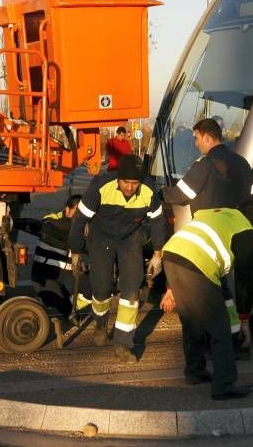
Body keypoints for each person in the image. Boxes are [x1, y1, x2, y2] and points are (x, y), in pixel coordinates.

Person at [162, 117, 253, 352]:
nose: (196, 143)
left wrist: (156, 194)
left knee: (212, 288)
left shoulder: (204, 165)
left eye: (196, 139)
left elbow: (178, 195)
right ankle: (238, 330)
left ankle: (215, 342)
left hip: (211, 240)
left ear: (207, 137)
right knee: (236, 285)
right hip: (240, 234)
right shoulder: (242, 163)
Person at [160, 200, 253, 400]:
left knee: (192, 320)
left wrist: (170, 287)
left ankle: (194, 372)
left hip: (171, 254)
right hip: (197, 264)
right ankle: (224, 384)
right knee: (220, 328)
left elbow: (192, 243)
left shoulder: (217, 211)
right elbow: (244, 281)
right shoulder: (246, 231)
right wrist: (243, 317)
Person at [69, 154, 165, 363]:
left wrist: (158, 254)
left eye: (134, 183)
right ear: (118, 178)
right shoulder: (101, 185)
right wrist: (76, 251)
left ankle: (123, 344)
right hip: (101, 236)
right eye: (126, 182)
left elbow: (158, 222)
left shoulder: (149, 190)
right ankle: (101, 323)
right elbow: (79, 220)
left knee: (131, 291)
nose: (130, 187)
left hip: (130, 238)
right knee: (101, 289)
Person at [31, 195, 92, 319]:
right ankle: (60, 303)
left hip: (68, 274)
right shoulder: (51, 220)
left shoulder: (86, 226)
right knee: (59, 305)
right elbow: (52, 226)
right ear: (67, 209)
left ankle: (72, 302)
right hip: (46, 274)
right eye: (76, 214)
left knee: (98, 289)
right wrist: (79, 228)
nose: (78, 219)